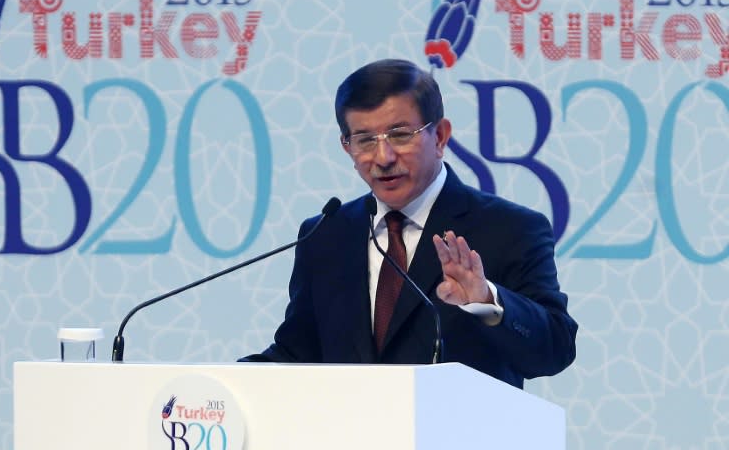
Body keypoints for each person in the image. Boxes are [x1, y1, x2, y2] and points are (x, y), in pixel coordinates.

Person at [241, 58, 577, 389]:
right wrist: (221, 382)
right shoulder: (327, 234)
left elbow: (554, 351)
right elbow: (300, 352)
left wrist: (486, 300)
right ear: (347, 146)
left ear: (441, 136)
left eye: (400, 135)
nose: (383, 158)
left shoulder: (509, 228)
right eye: (365, 139)